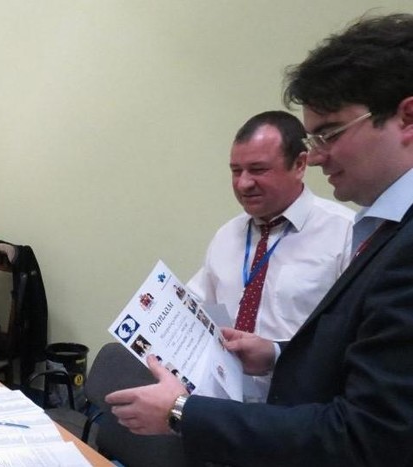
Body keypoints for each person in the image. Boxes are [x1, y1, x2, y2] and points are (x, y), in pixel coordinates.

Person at [106, 13, 413, 467]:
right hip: (245, 425)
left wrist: (181, 412)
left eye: (330, 134)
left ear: (407, 117)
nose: (318, 157)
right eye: (236, 171)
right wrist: (274, 354)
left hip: (293, 435)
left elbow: (371, 435)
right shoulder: (378, 229)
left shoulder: (355, 234)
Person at [186, 110, 354, 401]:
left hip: (302, 409)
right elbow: (197, 306)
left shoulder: (345, 233)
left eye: (258, 169)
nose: (243, 183)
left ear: (299, 164)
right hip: (224, 406)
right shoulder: (227, 235)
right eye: (236, 171)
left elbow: (351, 340)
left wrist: (276, 354)